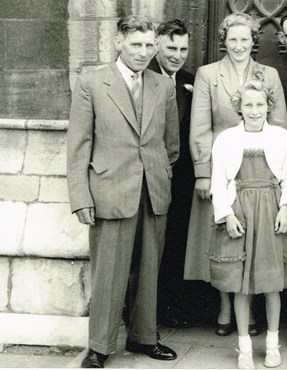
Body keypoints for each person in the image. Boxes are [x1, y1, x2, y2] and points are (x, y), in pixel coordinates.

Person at [67, 15, 178, 368]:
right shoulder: (92, 82)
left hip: (153, 189)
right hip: (109, 190)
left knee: (149, 268)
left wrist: (157, 174)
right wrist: (81, 196)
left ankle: (144, 337)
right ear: (118, 42)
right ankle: (100, 345)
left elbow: (170, 145)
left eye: (149, 46)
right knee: (109, 272)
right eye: (136, 45)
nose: (144, 53)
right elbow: (79, 145)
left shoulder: (164, 86)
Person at [184, 12, 287, 337]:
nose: (239, 46)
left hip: (260, 172)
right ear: (224, 41)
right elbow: (200, 127)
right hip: (223, 168)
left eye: (245, 39)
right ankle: (226, 305)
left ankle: (254, 309)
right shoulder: (208, 74)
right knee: (226, 241)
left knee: (258, 241)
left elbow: (281, 123)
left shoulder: (268, 74)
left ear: (253, 41)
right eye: (233, 40)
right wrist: (203, 172)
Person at [209, 76, 287, 369]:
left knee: (272, 284)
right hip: (240, 211)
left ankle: (272, 344)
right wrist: (227, 215)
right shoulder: (226, 139)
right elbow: (218, 182)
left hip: (270, 210)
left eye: (260, 104)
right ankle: (245, 348)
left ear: (269, 106)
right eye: (248, 104)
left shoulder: (280, 137)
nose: (254, 110)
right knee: (240, 285)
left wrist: (285, 208)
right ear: (238, 106)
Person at [147, 18, 195, 329]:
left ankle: (170, 308)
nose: (177, 55)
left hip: (182, 180)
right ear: (157, 46)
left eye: (183, 49)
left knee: (176, 244)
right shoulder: (144, 76)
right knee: (148, 248)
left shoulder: (193, 81)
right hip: (150, 176)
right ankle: (140, 311)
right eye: (171, 48)